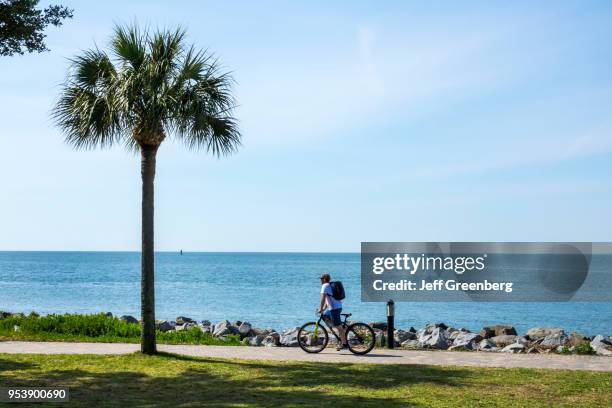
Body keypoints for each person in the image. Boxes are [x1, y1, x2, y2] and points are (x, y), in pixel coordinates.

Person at [318, 273, 348, 350]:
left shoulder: (325, 286)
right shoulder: (329, 286)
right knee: (325, 315)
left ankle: (344, 344)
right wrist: (323, 309)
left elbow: (323, 299)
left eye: (321, 279)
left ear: (324, 279)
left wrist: (320, 308)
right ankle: (338, 331)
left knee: (338, 327)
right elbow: (328, 299)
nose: (320, 280)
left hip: (334, 309)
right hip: (335, 307)